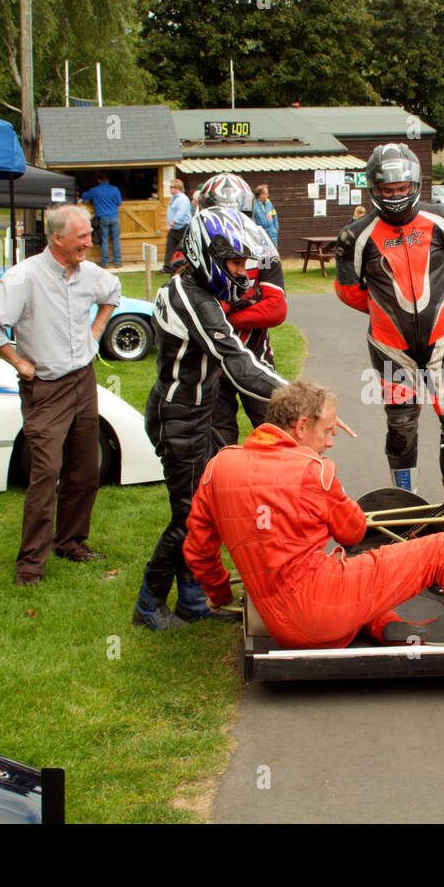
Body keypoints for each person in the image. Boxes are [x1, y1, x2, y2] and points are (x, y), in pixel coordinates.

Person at [184, 381, 444, 678]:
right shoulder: (313, 471)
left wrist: (219, 594)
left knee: (358, 578)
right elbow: (352, 533)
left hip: (280, 624)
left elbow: (199, 550)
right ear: (302, 426)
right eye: (328, 431)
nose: (331, 443)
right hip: (321, 609)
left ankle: (385, 622)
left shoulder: (219, 467)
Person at [133, 207, 293, 630]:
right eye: (235, 263)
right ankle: (149, 603)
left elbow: (264, 324)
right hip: (179, 417)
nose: (242, 272)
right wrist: (301, 400)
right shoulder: (194, 299)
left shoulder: (194, 287)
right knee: (187, 517)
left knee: (206, 509)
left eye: (245, 263)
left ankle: (191, 598)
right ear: (207, 255)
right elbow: (239, 365)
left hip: (195, 411)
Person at [0, 204, 121, 586]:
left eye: (89, 234)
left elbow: (113, 291)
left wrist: (96, 331)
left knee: (85, 470)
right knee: (45, 474)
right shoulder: (25, 277)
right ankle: (30, 566)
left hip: (83, 382)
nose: (90, 242)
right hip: (46, 389)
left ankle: (70, 542)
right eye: (82, 237)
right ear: (57, 238)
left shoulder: (89, 274)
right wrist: (18, 363)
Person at [335, 142, 444, 499]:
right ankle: (407, 505)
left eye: (402, 189)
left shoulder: (443, 218)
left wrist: (439, 308)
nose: (396, 196)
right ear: (375, 189)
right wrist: (385, 312)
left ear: (415, 185)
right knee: (401, 426)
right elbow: (348, 289)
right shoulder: (355, 234)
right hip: (390, 348)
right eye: (388, 190)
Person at [196, 173, 288, 454]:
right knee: (220, 447)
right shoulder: (192, 248)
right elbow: (192, 308)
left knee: (277, 437)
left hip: (256, 358)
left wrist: (223, 316)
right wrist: (249, 301)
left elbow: (276, 309)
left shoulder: (264, 248)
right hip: (212, 362)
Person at [80, 173, 122, 268]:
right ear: (108, 180)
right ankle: (118, 262)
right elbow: (119, 203)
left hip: (102, 218)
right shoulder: (115, 189)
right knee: (116, 240)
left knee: (104, 240)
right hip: (114, 217)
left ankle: (105, 263)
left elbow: (84, 196)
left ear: (99, 180)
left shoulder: (94, 190)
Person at [162, 179, 191, 274]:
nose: (170, 189)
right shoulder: (174, 198)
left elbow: (180, 214)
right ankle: (167, 267)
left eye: (171, 187)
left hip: (183, 227)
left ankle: (185, 266)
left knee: (184, 248)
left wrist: (171, 224)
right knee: (169, 248)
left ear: (177, 188)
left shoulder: (183, 199)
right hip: (174, 228)